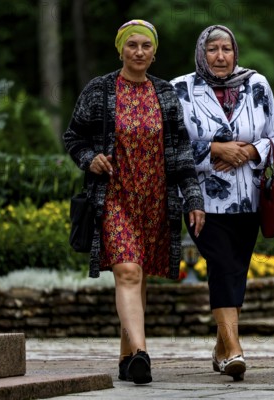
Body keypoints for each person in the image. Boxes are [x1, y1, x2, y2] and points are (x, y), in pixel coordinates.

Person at [63, 19, 205, 385]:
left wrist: (192, 197)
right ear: (121, 49)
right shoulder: (99, 90)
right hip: (113, 197)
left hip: (156, 199)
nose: (139, 52)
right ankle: (142, 354)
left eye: (146, 46)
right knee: (127, 271)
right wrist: (89, 158)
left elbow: (181, 150)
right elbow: (73, 137)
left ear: (154, 53)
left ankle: (127, 357)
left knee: (139, 278)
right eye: (132, 46)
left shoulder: (165, 94)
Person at [170, 25, 274, 381]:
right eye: (212, 49)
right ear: (201, 53)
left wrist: (250, 150)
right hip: (200, 199)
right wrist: (214, 151)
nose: (220, 56)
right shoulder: (180, 89)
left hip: (248, 198)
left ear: (235, 52)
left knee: (236, 269)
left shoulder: (258, 84)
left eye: (226, 49)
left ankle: (222, 348)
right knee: (221, 264)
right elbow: (171, 147)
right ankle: (235, 349)